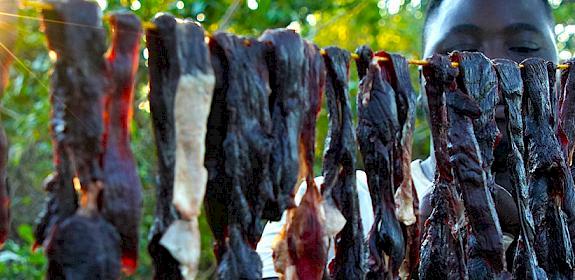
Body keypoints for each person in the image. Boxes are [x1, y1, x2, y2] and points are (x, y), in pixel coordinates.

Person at [257, 0, 559, 278]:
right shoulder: (333, 207)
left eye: (524, 48)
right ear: (422, 75)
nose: (491, 68)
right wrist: (401, 261)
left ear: (560, 72)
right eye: (458, 51)